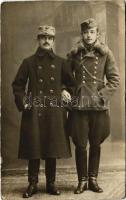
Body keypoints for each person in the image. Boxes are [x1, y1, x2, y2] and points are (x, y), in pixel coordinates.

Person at [12, 25, 75, 198]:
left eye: (50, 38)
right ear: (38, 40)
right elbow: (18, 85)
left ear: (54, 40)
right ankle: (32, 184)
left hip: (54, 110)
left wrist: (64, 89)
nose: (46, 40)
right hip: (35, 110)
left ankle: (51, 184)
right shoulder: (28, 62)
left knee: (51, 147)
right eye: (43, 37)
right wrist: (23, 100)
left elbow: (72, 84)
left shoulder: (61, 62)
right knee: (34, 148)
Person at [67, 18, 120, 194]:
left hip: (98, 106)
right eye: (85, 33)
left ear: (97, 34)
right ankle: (82, 181)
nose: (88, 36)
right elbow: (64, 77)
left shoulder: (106, 54)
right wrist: (66, 91)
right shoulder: (74, 54)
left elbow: (114, 80)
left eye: (92, 32)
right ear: (81, 35)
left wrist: (101, 96)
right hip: (80, 105)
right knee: (81, 144)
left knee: (95, 144)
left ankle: (93, 179)